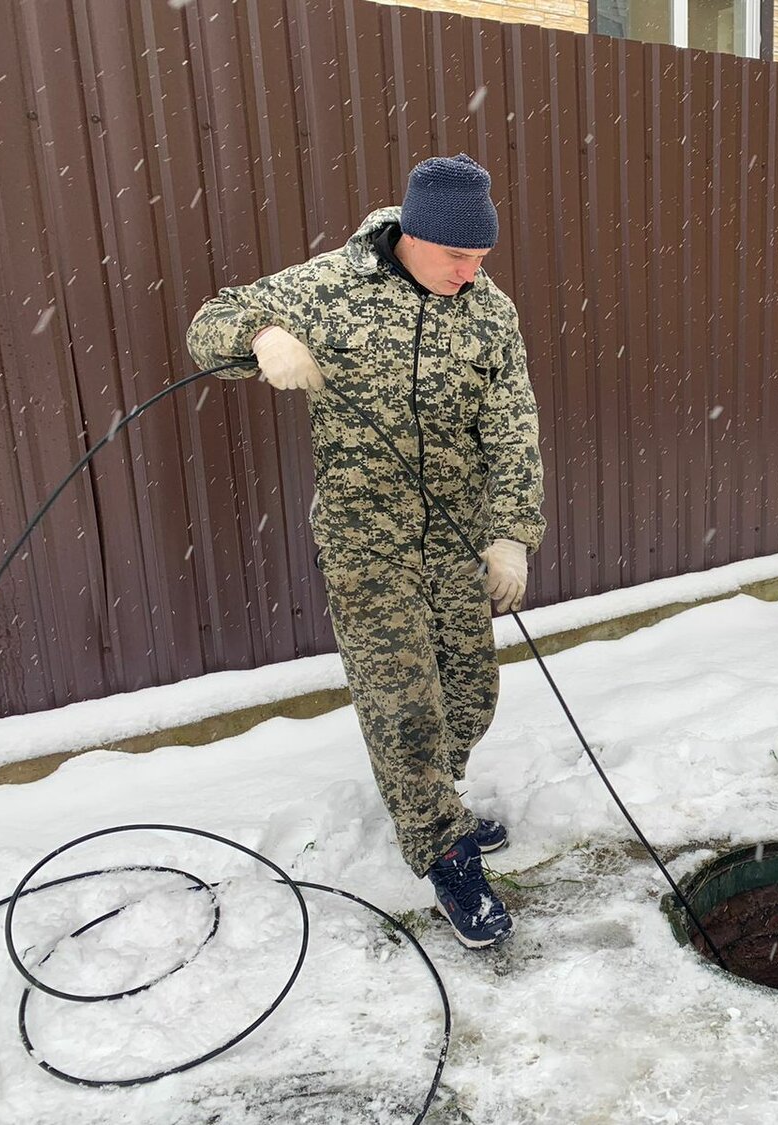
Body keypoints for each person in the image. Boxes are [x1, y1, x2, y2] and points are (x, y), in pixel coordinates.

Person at [186, 155, 545, 949]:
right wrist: (263, 334)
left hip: (452, 542)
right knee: (403, 707)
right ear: (413, 234)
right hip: (365, 544)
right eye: (456, 255)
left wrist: (512, 533)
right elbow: (209, 325)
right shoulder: (329, 286)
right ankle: (442, 847)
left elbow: (513, 424)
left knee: (469, 696)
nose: (470, 272)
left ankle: (434, 800)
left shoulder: (489, 312)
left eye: (481, 257)